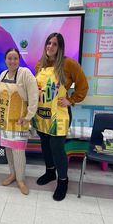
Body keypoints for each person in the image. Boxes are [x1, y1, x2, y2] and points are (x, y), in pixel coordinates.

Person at [33, 32, 88, 201]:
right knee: (45, 145)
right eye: (48, 43)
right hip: (42, 113)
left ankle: (63, 181)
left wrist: (71, 100)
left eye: (55, 44)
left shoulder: (69, 64)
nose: (50, 46)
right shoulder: (39, 64)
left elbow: (83, 86)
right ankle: (50, 172)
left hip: (60, 114)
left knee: (57, 148)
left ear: (60, 47)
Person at [0, 48, 39, 195]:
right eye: (9, 58)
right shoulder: (3, 74)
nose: (12, 61)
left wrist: (28, 117)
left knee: (18, 151)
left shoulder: (25, 74)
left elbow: (34, 97)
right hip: (5, 121)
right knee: (8, 149)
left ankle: (20, 180)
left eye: (15, 58)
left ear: (18, 59)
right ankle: (12, 174)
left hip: (20, 120)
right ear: (5, 60)